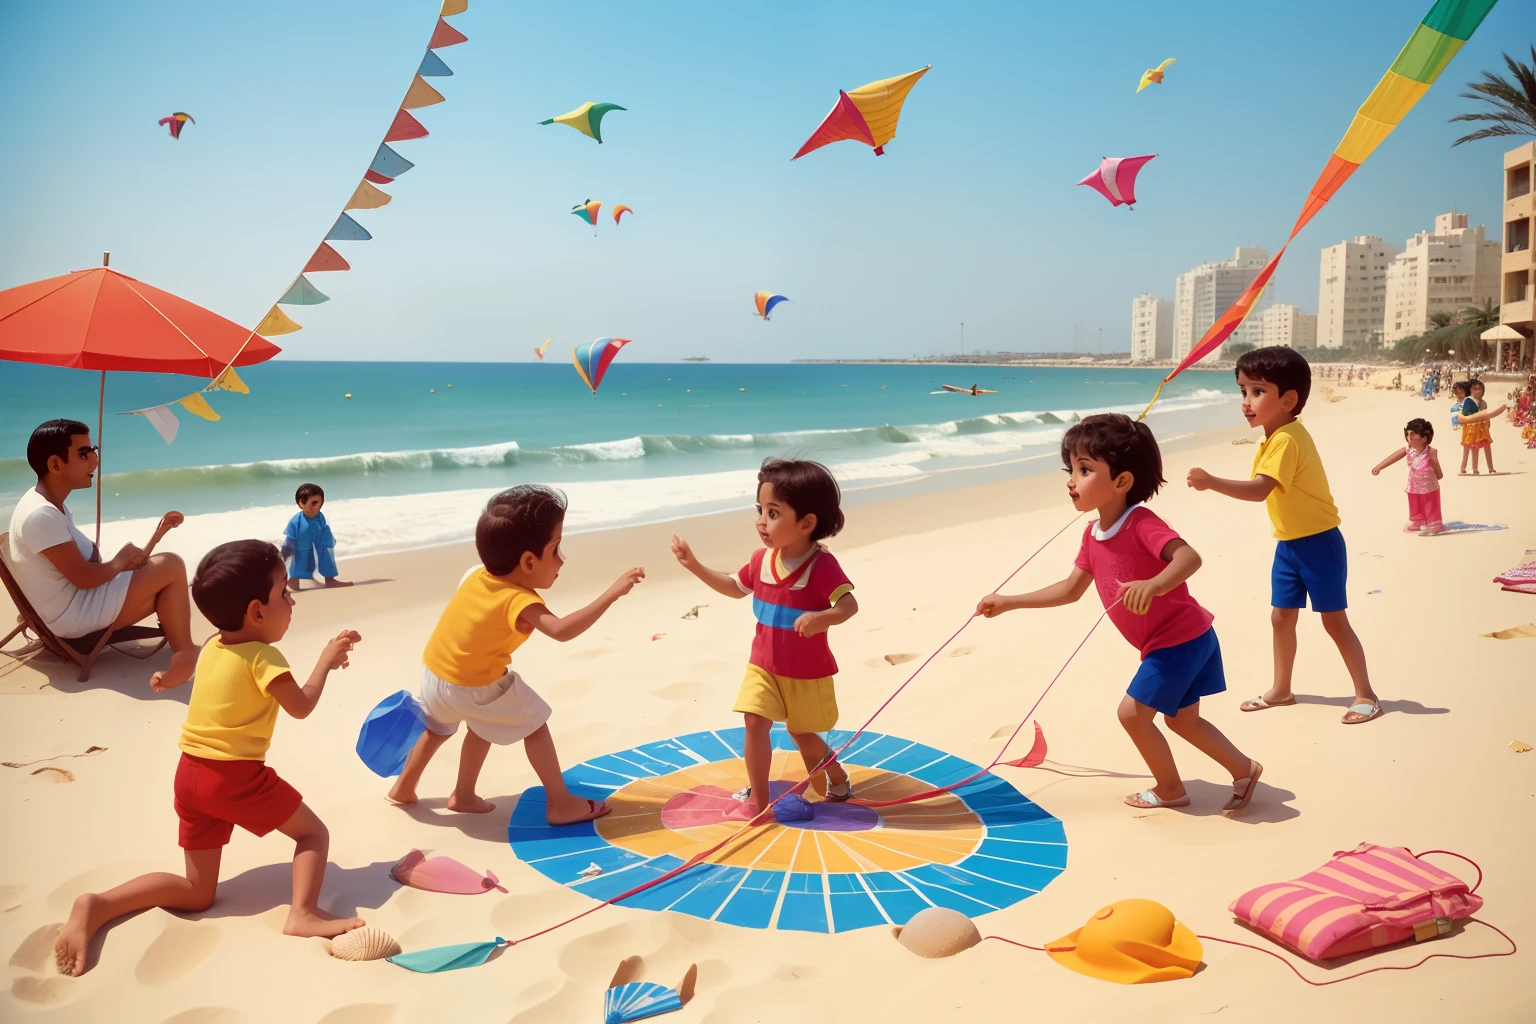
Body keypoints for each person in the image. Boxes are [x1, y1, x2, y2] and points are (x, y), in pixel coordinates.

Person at [53, 540, 365, 976]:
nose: (290, 600)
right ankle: (303, 914)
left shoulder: (215, 646)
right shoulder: (264, 656)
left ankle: (99, 904)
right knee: (313, 835)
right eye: (283, 594)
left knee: (198, 893)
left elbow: (186, 661)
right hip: (234, 779)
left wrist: (168, 676)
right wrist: (325, 663)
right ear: (257, 611)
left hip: (190, 777)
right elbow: (301, 706)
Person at [978, 415, 1262, 814]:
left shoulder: (1141, 523)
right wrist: (1010, 601)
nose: (1071, 479)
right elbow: (1070, 589)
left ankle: (1170, 789)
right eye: (1071, 469)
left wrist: (1154, 584)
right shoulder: (1091, 534)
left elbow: (1188, 557)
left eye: (1085, 469)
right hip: (1177, 641)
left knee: (1132, 714)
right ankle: (1245, 770)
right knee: (1181, 721)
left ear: (1122, 482)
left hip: (1180, 640)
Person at [388, 485, 642, 822]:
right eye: (555, 550)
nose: (561, 559)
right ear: (527, 561)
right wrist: (611, 594)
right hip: (473, 685)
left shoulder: (475, 574)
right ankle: (561, 803)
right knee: (534, 723)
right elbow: (561, 630)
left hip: (435, 674)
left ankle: (409, 788)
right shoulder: (520, 601)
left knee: (445, 727)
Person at [1187, 347, 1382, 725]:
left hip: (1319, 543)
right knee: (1281, 617)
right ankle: (1282, 689)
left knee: (1334, 621)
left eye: (1257, 392)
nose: (1246, 402)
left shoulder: (1287, 439)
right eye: (1242, 391)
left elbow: (1261, 489)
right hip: (1289, 544)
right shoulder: (1273, 436)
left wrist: (1211, 482)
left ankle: (1366, 694)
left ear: (1288, 399)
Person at [671, 458, 858, 821]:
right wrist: (694, 565)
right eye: (760, 509)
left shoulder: (821, 566)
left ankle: (834, 774)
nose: (761, 521)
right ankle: (758, 800)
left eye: (773, 513)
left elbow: (848, 606)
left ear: (806, 523)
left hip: (806, 673)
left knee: (802, 734)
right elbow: (733, 587)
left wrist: (824, 618)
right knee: (754, 721)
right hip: (763, 666)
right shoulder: (760, 560)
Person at [7, 419, 197, 689]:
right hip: (74, 619)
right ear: (55, 465)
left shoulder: (46, 503)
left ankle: (182, 651)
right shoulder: (41, 516)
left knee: (162, 578)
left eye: (92, 450)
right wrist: (119, 562)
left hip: (74, 607)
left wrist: (152, 539)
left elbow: (83, 567)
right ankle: (185, 653)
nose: (94, 461)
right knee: (170, 565)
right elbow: (84, 578)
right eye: (84, 453)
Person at [1371, 417, 1444, 535]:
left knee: (1430, 502)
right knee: (1414, 502)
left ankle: (1434, 523)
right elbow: (1394, 457)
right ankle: (1418, 521)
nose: (1408, 437)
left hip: (1429, 484)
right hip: (1413, 483)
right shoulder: (1407, 450)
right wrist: (1379, 467)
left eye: (1413, 434)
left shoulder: (1431, 451)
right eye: (1407, 433)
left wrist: (1436, 470)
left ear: (1425, 437)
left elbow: (1439, 473)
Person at [283, 483, 350, 590]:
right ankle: (293, 580)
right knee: (300, 561)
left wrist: (328, 539)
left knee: (326, 557)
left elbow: (324, 528)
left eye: (320, 503)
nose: (318, 506)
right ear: (301, 503)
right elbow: (290, 537)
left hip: (319, 543)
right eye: (314, 503)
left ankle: (330, 579)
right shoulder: (296, 521)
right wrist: (286, 551)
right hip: (301, 546)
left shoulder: (319, 516)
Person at [1458, 380, 1507, 475]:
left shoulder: (1483, 402)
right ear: (1470, 390)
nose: (1478, 391)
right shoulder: (1469, 400)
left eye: (1479, 389)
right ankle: (1469, 467)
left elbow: (1487, 414)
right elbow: (1465, 415)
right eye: (1475, 389)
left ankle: (1491, 467)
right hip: (1471, 428)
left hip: (1483, 427)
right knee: (1470, 448)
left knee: (1487, 446)